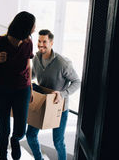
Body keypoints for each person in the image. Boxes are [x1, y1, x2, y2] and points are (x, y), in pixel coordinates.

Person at [0, 11, 36, 160]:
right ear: (25, 27)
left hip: (22, 90)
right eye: (33, 26)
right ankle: (2, 156)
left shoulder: (28, 42)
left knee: (20, 130)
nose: (35, 29)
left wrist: (30, 88)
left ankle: (15, 141)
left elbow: (28, 66)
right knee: (4, 129)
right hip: (1, 90)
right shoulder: (0, 41)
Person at [26, 29, 81, 160]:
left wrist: (63, 94)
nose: (41, 44)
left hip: (59, 107)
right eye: (39, 41)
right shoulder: (36, 58)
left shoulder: (63, 63)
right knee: (30, 136)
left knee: (58, 142)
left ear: (51, 43)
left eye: (44, 41)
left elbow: (77, 81)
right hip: (41, 103)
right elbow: (34, 74)